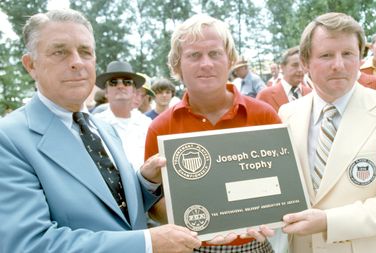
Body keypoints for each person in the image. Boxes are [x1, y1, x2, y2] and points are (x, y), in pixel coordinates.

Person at [0, 9, 201, 253]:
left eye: (85, 51)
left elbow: (114, 208)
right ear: (31, 65)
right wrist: (147, 243)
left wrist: (145, 183)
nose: (77, 61)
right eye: (59, 52)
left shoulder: (102, 128)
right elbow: (29, 244)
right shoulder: (9, 139)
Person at [277, 12, 376, 253]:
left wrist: (329, 222)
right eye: (326, 55)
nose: (339, 64)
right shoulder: (287, 114)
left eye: (348, 54)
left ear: (360, 58)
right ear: (304, 62)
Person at [143, 14, 279, 252]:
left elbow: (284, 185)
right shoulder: (160, 127)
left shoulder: (264, 116)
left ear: (230, 60)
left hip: (253, 244)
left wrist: (266, 213)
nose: (206, 63)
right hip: (190, 246)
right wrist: (195, 223)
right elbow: (153, 202)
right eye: (194, 55)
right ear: (177, 65)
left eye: (215, 53)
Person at [95, 61, 152, 171]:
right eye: (113, 82)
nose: (120, 86)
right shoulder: (94, 125)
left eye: (127, 82)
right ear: (106, 92)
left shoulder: (147, 124)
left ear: (134, 91)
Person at [257, 47, 312, 112]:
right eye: (295, 65)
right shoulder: (265, 96)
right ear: (282, 67)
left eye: (303, 65)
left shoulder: (311, 94)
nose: (300, 69)